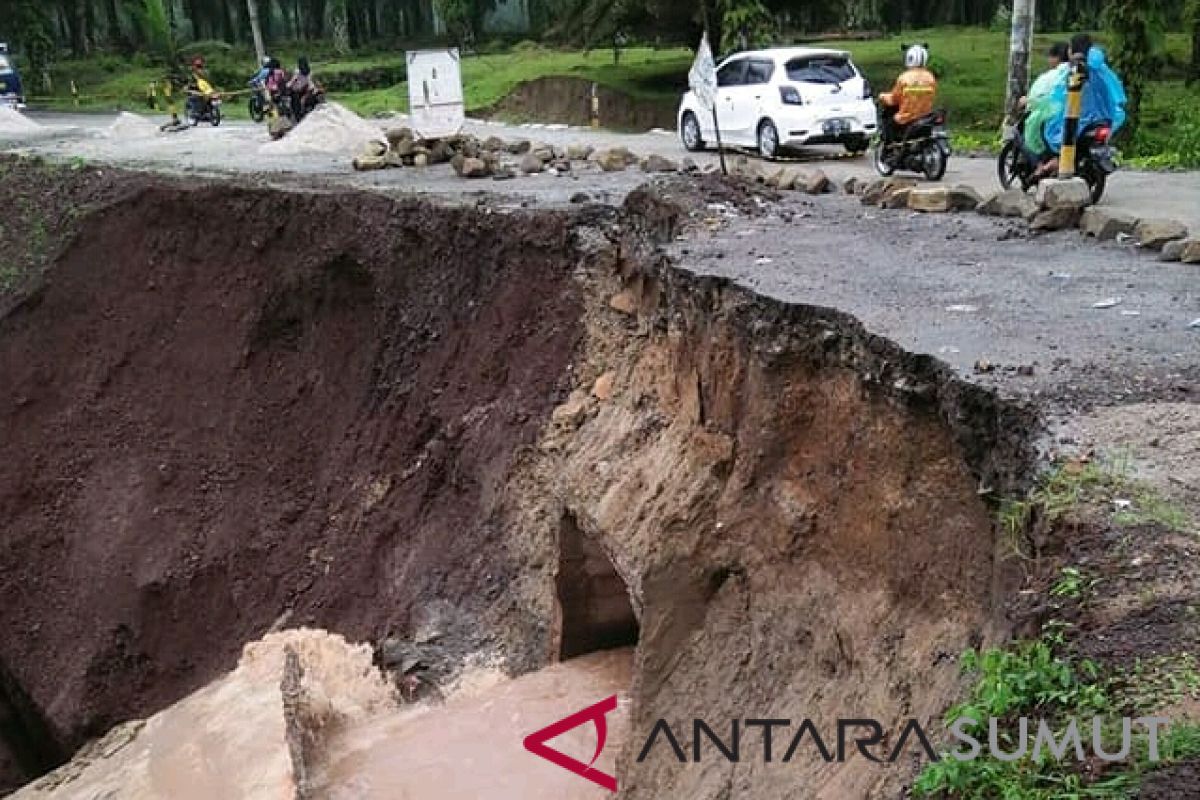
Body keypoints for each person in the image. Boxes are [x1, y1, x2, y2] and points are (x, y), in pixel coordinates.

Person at [1039, 33, 1127, 175]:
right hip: (1104, 117)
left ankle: (1054, 162)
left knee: (1050, 130)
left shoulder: (1076, 68)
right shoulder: (1101, 68)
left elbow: (1060, 94)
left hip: (1082, 117)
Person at [1020, 42, 1070, 162]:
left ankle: (1040, 164)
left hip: (1050, 118)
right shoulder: (1076, 72)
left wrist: (1027, 101)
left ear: (1056, 58)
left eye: (1050, 56)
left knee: (1033, 136)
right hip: (1072, 118)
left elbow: (1038, 97)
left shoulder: (1050, 77)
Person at [879, 44, 938, 144]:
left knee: (889, 122)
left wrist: (882, 96)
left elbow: (894, 99)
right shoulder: (930, 77)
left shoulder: (904, 78)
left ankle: (891, 146)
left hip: (906, 119)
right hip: (925, 119)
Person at [286, 56, 322, 121]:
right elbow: (311, 82)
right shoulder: (310, 71)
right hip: (308, 90)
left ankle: (298, 117)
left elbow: (293, 81)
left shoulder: (297, 71)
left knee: (294, 100)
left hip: (298, 91)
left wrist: (288, 84)